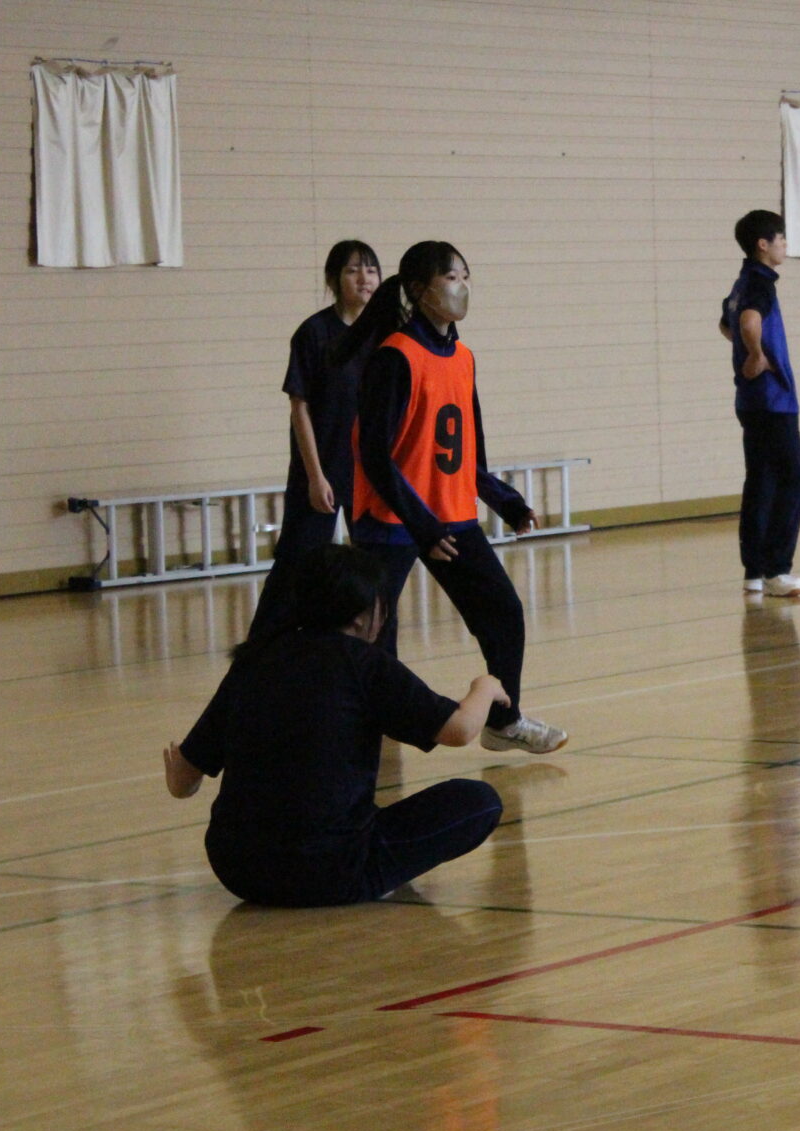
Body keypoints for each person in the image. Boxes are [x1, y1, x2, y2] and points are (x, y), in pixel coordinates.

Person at [164, 545, 510, 907]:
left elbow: (183, 781)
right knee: (479, 802)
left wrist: (178, 772)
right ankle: (372, 878)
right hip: (328, 870)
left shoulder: (255, 659)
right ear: (361, 617)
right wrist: (483, 689)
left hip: (236, 868)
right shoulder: (364, 663)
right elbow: (460, 730)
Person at [331, 240, 566, 754]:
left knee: (502, 613)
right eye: (451, 278)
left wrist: (504, 499)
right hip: (393, 520)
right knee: (373, 632)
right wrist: (420, 524)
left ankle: (503, 721)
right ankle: (362, 728)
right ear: (421, 291)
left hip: (449, 517)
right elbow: (374, 456)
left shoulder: (462, 357)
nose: (462, 287)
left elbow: (465, 454)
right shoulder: (394, 357)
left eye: (465, 276)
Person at [247, 239, 380, 639]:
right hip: (320, 469)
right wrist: (316, 477)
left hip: (369, 474)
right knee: (296, 564)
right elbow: (299, 408)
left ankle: (365, 650)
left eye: (371, 270)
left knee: (373, 569)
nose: (364, 279)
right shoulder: (314, 333)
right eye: (353, 270)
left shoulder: (386, 333)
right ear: (334, 279)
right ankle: (261, 648)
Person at [719, 210, 800, 597]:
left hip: (750, 399)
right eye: (781, 239)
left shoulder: (741, 283)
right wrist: (756, 354)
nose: (785, 245)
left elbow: (726, 323)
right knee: (794, 479)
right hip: (772, 398)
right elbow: (748, 322)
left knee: (761, 482)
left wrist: (744, 349)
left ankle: (754, 572)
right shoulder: (760, 283)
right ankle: (777, 570)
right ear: (763, 244)